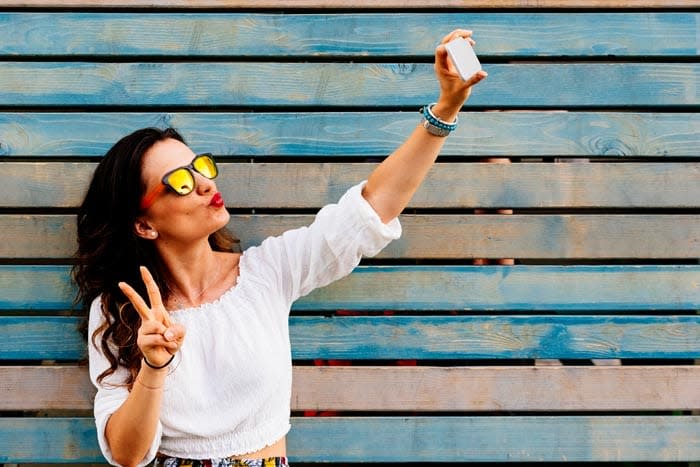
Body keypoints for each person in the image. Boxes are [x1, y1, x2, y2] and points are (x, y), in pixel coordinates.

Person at [74, 29, 487, 467]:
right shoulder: (122, 311)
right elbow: (127, 454)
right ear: (143, 225)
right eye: (179, 182)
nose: (205, 183)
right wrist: (154, 369)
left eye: (200, 166)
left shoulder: (265, 273)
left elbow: (370, 210)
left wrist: (444, 110)